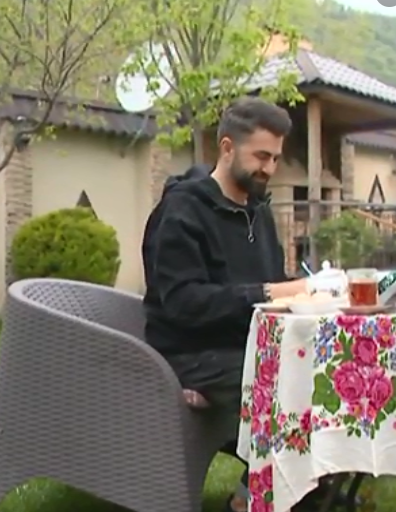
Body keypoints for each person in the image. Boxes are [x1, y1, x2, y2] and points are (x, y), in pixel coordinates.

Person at [142, 98, 309, 512]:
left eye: (276, 158)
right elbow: (183, 302)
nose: (269, 168)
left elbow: (271, 284)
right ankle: (257, 498)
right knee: (299, 384)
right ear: (228, 148)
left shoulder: (258, 211)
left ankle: (275, 492)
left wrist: (311, 292)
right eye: (261, 156)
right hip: (192, 353)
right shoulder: (182, 211)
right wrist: (269, 293)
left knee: (335, 370)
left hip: (249, 345)